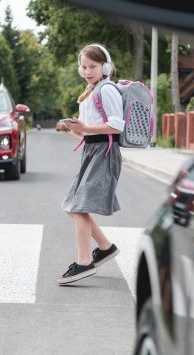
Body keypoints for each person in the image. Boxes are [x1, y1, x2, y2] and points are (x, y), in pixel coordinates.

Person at [58, 43, 125, 285]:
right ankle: (105, 248)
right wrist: (78, 129)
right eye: (84, 67)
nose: (87, 71)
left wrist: (85, 128)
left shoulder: (107, 89)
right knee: (72, 206)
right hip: (91, 150)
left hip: (104, 152)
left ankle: (84, 263)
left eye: (92, 66)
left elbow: (117, 125)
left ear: (105, 67)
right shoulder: (90, 90)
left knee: (78, 207)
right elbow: (89, 130)